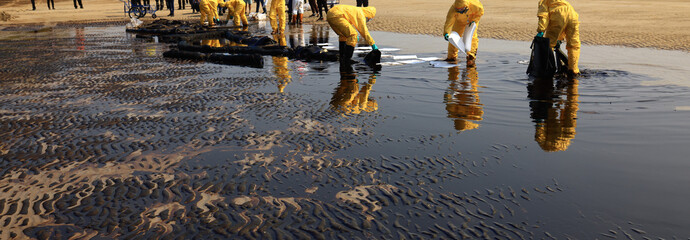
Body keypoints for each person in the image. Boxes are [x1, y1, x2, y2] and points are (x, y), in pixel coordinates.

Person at [536, 0, 580, 75]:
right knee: (574, 45)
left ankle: (548, 70)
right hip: (572, 14)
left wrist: (541, 30)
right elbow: (565, 17)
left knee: (549, 45)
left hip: (558, 15)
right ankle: (573, 70)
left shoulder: (544, 1)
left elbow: (544, 16)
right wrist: (559, 39)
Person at [443, 0, 483, 65]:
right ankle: (451, 57)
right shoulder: (453, 9)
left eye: (462, 9)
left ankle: (471, 57)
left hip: (471, 21)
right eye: (458, 10)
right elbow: (449, 22)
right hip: (459, 22)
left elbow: (480, 13)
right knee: (453, 38)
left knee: (472, 37)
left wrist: (474, 21)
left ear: (466, 6)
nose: (460, 12)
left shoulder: (475, 5)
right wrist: (446, 32)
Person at [444, 65, 483, 131]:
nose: (461, 114)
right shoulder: (472, 114)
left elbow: (447, 100)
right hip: (466, 95)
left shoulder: (452, 111)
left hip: (461, 95)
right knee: (466, 79)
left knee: (458, 80)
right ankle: (469, 68)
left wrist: (449, 92)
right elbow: (479, 112)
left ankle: (466, 68)